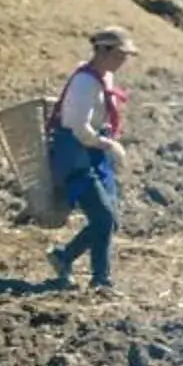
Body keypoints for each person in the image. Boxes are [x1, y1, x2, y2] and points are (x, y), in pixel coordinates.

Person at [47, 27, 134, 290]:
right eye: (119, 54)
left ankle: (67, 259)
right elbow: (77, 127)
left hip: (94, 154)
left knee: (109, 221)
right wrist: (111, 145)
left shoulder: (104, 77)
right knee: (104, 218)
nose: (124, 60)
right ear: (102, 51)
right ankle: (99, 279)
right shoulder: (84, 83)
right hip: (75, 155)